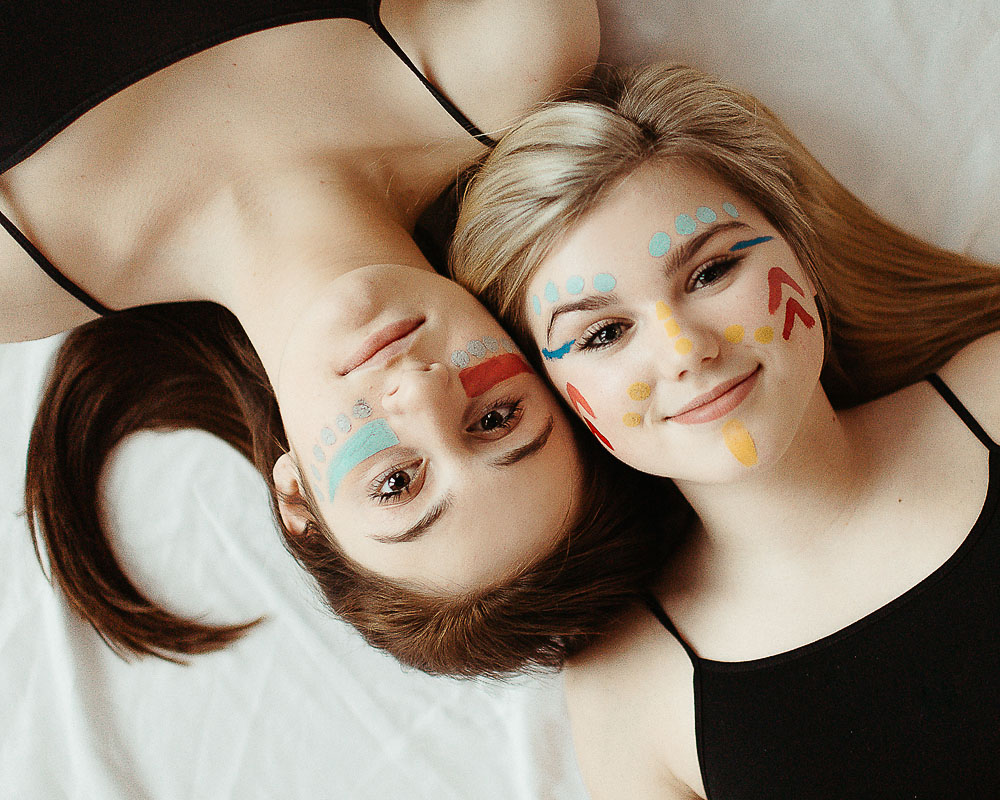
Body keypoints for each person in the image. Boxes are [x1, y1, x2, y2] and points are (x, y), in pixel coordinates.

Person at [3, 0, 672, 677]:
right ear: (543, 365)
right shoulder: (509, 42)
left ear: (296, 495)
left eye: (394, 483)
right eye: (495, 418)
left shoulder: (12, 276)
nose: (419, 391)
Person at [449, 63, 1000, 797]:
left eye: (709, 273)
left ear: (798, 249)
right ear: (552, 391)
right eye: (605, 334)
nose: (685, 351)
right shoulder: (630, 690)